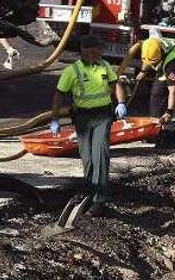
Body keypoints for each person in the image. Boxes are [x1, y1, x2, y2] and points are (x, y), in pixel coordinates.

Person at [51, 34, 126, 216]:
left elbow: (115, 84)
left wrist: (121, 102)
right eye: (94, 49)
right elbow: (59, 95)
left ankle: (99, 201)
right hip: (83, 118)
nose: (97, 52)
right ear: (85, 51)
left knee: (100, 153)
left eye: (99, 49)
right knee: (88, 158)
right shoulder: (72, 71)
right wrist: (54, 120)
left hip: (103, 116)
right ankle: (89, 195)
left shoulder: (104, 66)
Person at [140, 37, 175, 149]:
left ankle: (170, 137)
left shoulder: (172, 62)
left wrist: (169, 112)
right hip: (164, 65)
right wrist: (143, 71)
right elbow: (147, 59)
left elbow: (173, 91)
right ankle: (154, 131)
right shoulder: (149, 45)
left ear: (161, 53)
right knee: (156, 94)